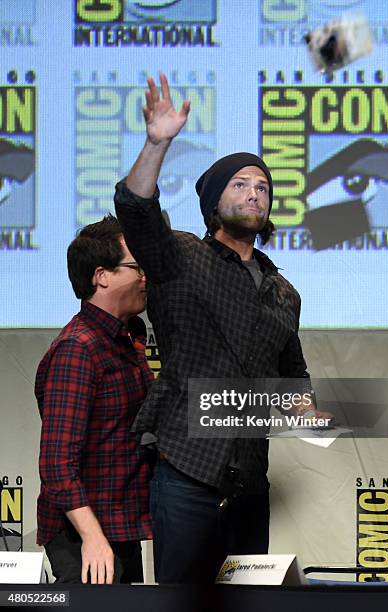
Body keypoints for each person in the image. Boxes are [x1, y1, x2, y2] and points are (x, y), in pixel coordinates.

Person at [114, 73, 327, 584]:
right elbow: (137, 210)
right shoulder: (181, 256)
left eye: (263, 187)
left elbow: (293, 381)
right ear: (214, 202)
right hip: (188, 472)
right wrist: (156, 143)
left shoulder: (282, 290)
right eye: (240, 185)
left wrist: (321, 414)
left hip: (250, 481)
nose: (254, 194)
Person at [35, 215, 154, 584]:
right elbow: (57, 464)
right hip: (84, 535)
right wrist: (92, 537)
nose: (146, 277)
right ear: (101, 276)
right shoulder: (79, 348)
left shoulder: (127, 338)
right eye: (137, 267)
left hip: (120, 524)